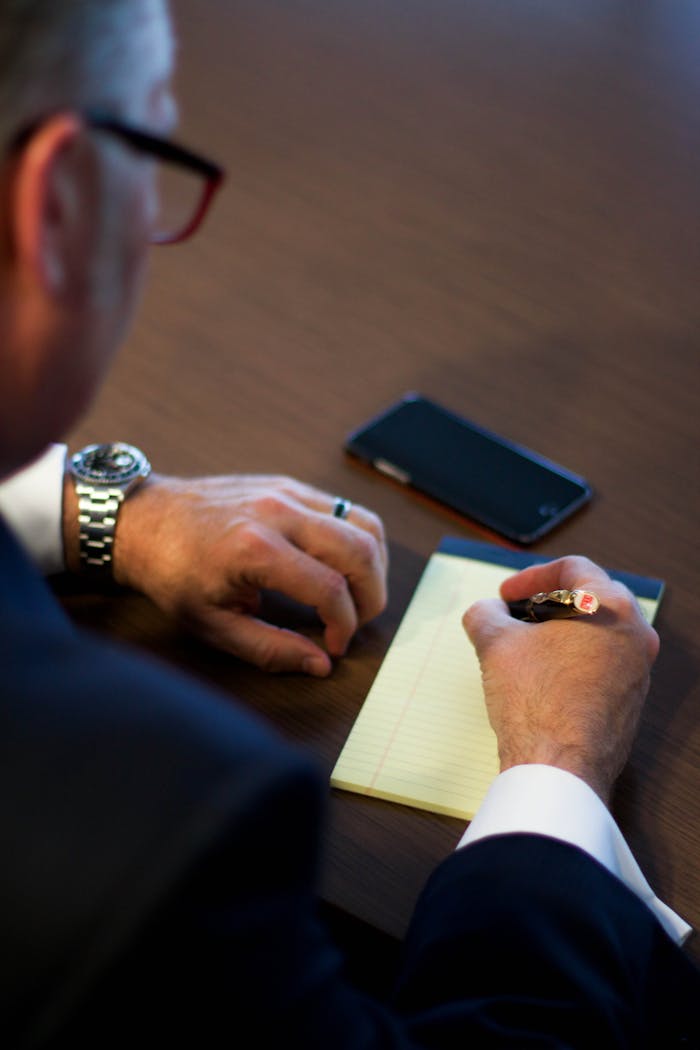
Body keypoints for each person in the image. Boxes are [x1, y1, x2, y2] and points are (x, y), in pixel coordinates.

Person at [0, 2, 698, 1047]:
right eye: (149, 150)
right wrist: (554, 774)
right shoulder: (154, 815)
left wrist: (104, 513)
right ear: (54, 204)